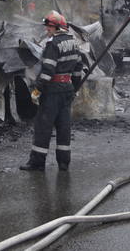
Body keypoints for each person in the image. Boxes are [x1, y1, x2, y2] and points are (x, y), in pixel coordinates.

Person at [20, 11, 82, 171]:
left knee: (43, 126)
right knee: (64, 127)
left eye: (49, 27)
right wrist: (74, 88)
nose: (47, 29)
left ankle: (37, 162)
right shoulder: (74, 42)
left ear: (56, 27)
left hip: (52, 91)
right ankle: (64, 162)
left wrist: (37, 90)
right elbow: (78, 70)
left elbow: (47, 71)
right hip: (67, 89)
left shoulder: (53, 44)